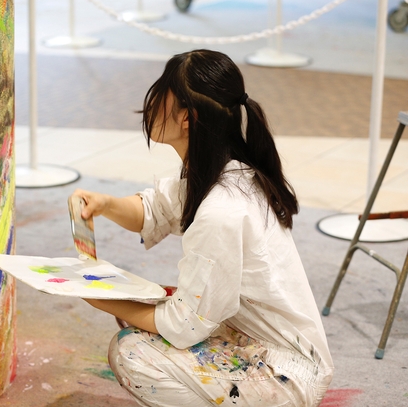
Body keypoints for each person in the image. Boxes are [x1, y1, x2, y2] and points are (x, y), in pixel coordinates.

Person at [72, 49, 333, 407]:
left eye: (161, 92)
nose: (150, 102)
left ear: (187, 118)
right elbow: (156, 209)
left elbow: (184, 325)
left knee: (131, 351)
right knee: (146, 307)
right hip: (259, 341)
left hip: (283, 375)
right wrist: (105, 204)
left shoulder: (221, 209)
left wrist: (100, 297)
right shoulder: (227, 174)